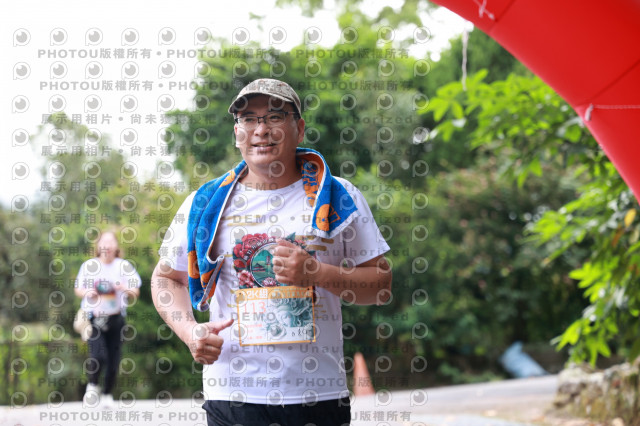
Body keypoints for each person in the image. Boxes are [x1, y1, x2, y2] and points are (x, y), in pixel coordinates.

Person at [152, 78, 392, 426]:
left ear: (299, 128)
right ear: (237, 132)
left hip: (317, 395)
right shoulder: (205, 204)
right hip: (233, 396)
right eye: (249, 119)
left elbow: (381, 286)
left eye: (275, 117)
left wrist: (316, 273)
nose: (261, 130)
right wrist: (190, 331)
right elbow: (166, 278)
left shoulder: (338, 197)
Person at [74, 230, 141, 409]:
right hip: (94, 317)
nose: (108, 245)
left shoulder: (123, 266)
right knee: (98, 354)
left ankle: (107, 394)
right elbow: (78, 288)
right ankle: (92, 386)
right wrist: (88, 292)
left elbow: (135, 291)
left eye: (111, 242)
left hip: (116, 318)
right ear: (98, 246)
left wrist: (123, 287)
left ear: (116, 246)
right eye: (104, 242)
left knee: (114, 357)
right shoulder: (89, 266)